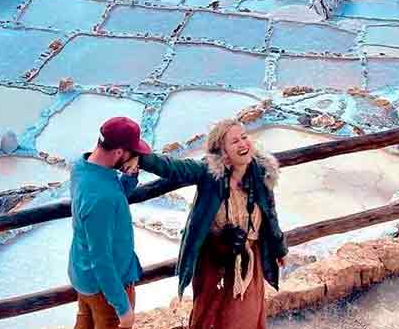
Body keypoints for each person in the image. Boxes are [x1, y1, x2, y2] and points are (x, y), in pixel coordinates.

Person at [123, 118, 288, 329]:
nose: (243, 144)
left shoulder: (260, 172)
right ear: (223, 152)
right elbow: (175, 168)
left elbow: (270, 214)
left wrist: (279, 248)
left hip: (248, 257)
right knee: (208, 314)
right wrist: (142, 159)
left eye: (244, 137)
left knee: (243, 316)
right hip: (213, 256)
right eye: (234, 141)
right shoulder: (209, 172)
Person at [69, 116, 152, 329]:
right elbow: (102, 260)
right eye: (132, 153)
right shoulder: (102, 198)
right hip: (107, 288)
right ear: (118, 153)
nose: (136, 156)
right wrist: (123, 309)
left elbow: (109, 198)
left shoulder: (82, 167)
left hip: (82, 274)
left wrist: (130, 176)